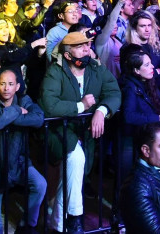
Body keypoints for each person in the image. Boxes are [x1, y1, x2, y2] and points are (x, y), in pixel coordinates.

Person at [40, 32, 122, 234]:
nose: (87, 49)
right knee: (76, 159)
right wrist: (81, 106)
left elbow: (113, 92)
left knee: (71, 177)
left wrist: (102, 111)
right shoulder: (55, 72)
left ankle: (57, 225)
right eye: (81, 46)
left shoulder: (95, 67)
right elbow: (50, 105)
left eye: (87, 45)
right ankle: (75, 219)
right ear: (68, 55)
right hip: (59, 130)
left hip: (84, 132)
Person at [0, 70, 47, 234]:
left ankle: (27, 226)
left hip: (19, 161)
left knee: (40, 184)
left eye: (10, 84)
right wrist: (17, 110)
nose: (6, 88)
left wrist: (4, 118)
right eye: (2, 83)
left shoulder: (24, 99)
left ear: (17, 86)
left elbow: (38, 118)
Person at [118, 47, 160, 178]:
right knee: (128, 180)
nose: (153, 67)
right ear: (136, 70)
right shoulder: (129, 87)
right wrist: (157, 118)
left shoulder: (148, 82)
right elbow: (128, 116)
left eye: (150, 63)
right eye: (147, 64)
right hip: (130, 141)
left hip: (142, 138)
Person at [0, 15, 47, 96]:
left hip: (19, 94)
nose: (5, 31)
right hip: (3, 96)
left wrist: (39, 54)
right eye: (0, 28)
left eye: (6, 27)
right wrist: (33, 44)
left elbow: (27, 61)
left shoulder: (12, 46)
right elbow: (10, 57)